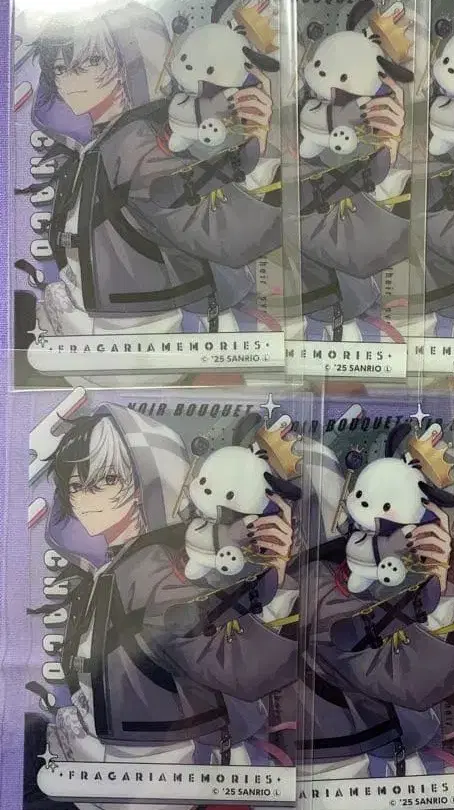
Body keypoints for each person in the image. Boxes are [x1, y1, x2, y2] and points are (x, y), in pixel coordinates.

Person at [40, 405, 297, 810]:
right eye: (75, 484)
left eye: (107, 480)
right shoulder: (120, 565)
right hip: (123, 753)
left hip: (154, 765)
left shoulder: (148, 567)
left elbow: (231, 668)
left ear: (146, 480)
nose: (84, 497)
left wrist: (274, 586)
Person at [19, 3, 280, 384]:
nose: (68, 80)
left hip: (130, 337)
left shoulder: (132, 145)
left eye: (90, 62)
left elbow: (214, 230)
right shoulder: (107, 141)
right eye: (59, 68)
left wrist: (253, 157)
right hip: (114, 325)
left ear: (130, 62)